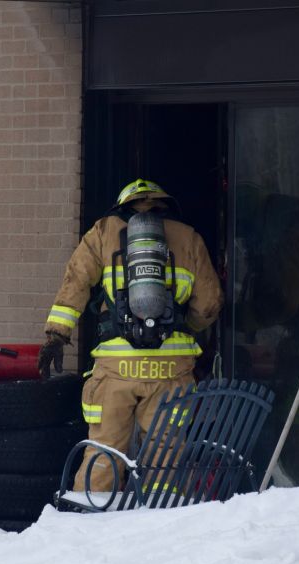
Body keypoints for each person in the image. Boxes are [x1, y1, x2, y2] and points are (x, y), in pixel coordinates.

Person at [38, 179, 223, 492]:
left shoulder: (103, 231)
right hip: (171, 369)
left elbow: (76, 282)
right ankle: (158, 514)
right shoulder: (188, 237)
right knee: (165, 455)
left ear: (123, 205)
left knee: (104, 452)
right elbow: (209, 304)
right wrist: (183, 328)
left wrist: (57, 335)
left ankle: (93, 513)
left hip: (116, 367)